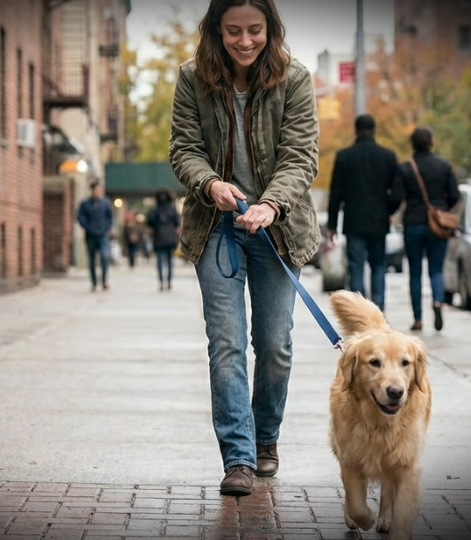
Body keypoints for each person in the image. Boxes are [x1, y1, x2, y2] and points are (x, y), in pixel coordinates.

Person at [169, 0, 320, 496]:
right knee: (227, 344)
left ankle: (265, 438)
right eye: (233, 31)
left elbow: (301, 156)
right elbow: (183, 148)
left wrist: (272, 204)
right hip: (216, 226)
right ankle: (238, 457)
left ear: (270, 28)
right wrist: (210, 183)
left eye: (254, 30)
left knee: (274, 346)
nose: (245, 41)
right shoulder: (193, 77)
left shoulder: (294, 78)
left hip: (277, 229)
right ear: (217, 29)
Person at [326, 113, 403, 311]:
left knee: (356, 266)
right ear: (374, 130)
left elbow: (336, 193)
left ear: (356, 130)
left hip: (354, 221)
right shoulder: (388, 156)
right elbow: (397, 192)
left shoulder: (344, 157)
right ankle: (379, 309)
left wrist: (332, 225)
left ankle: (360, 312)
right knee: (378, 265)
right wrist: (388, 209)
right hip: (379, 220)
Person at [392, 125, 460, 332]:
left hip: (413, 223)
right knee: (436, 269)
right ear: (431, 142)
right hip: (437, 225)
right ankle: (438, 302)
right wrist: (441, 207)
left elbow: (396, 196)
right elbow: (455, 195)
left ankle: (418, 319)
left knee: (415, 272)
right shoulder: (444, 166)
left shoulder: (405, 168)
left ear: (412, 144)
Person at [77, 181, 114, 291]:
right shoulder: (85, 204)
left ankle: (104, 280)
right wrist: (88, 228)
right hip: (90, 235)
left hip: (102, 235)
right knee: (92, 260)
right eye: (95, 190)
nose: (97, 192)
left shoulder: (106, 203)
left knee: (104, 257)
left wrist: (106, 228)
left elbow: (110, 218)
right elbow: (81, 218)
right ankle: (93, 282)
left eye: (99, 190)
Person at [147, 188, 181, 291]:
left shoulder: (155, 210)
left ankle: (161, 281)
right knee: (170, 260)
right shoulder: (172, 209)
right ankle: (169, 281)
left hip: (159, 237)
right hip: (170, 237)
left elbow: (150, 222)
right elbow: (177, 223)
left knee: (160, 260)